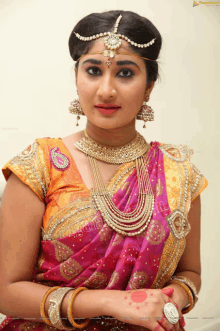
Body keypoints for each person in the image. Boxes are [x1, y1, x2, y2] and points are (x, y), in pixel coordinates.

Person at [0, 10, 208, 331]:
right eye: (94, 70)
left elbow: (190, 273)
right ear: (76, 78)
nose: (106, 90)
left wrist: (173, 297)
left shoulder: (178, 173)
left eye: (125, 73)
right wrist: (110, 303)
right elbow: (6, 292)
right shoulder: (38, 165)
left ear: (150, 85)